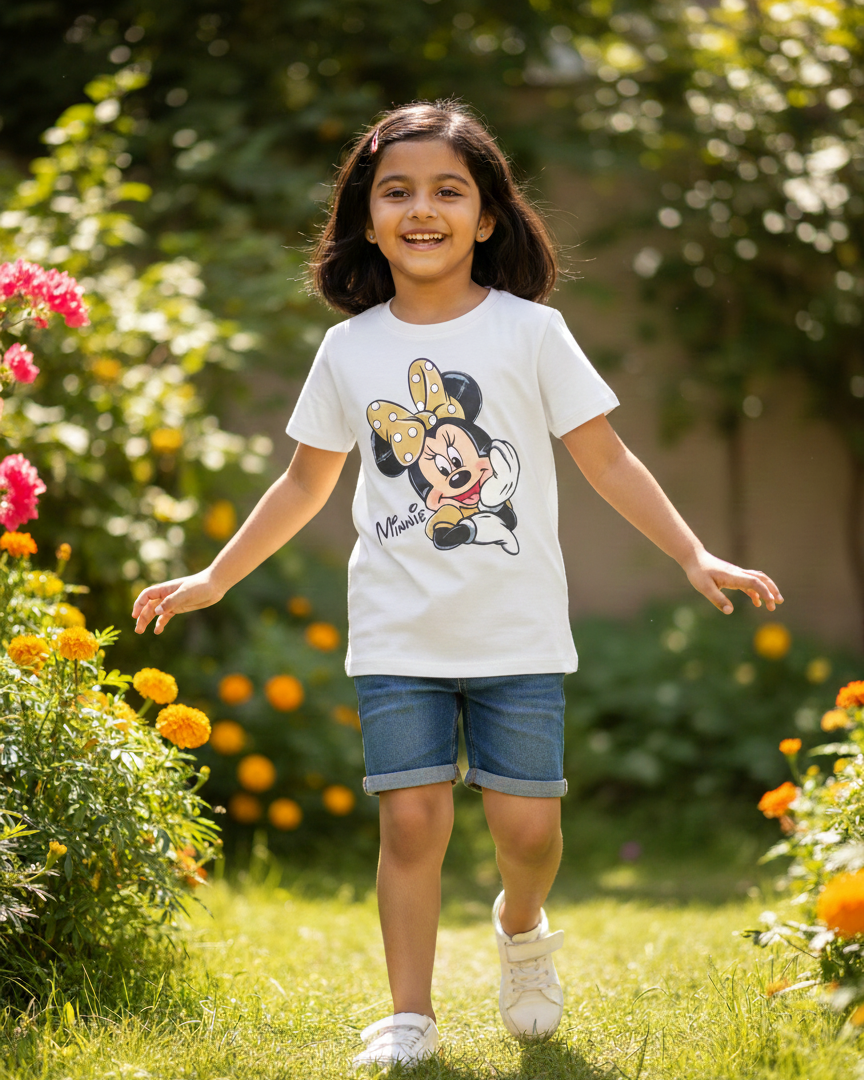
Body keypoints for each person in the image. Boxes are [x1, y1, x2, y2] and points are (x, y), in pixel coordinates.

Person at [132, 100, 783, 1071]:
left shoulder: (533, 333)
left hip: (515, 634)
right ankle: (409, 1015)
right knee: (412, 819)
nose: (422, 208)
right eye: (396, 191)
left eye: (449, 190)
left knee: (527, 831)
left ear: (488, 218)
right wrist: (218, 576)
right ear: (364, 216)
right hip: (397, 634)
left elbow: (606, 460)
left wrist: (693, 555)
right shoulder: (349, 351)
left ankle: (522, 929)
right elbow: (306, 480)